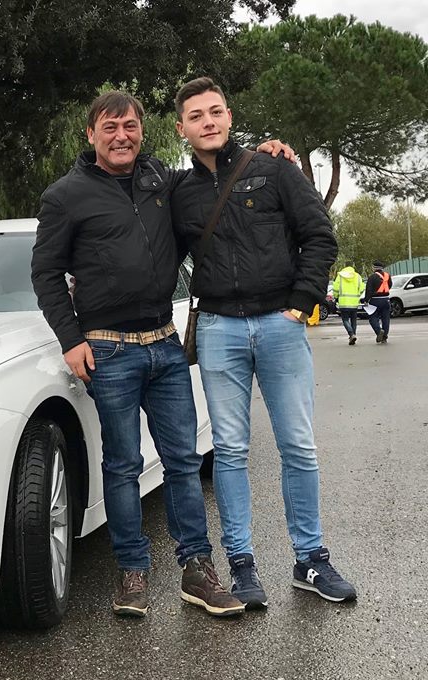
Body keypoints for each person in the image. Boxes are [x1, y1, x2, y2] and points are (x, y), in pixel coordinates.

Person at [32, 90, 253, 618]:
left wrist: (259, 153)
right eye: (109, 128)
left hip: (165, 345)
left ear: (142, 131)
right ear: (91, 134)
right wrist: (71, 340)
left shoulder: (162, 183)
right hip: (108, 351)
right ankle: (132, 572)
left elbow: (212, 172)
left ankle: (197, 569)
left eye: (129, 126)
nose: (121, 136)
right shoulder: (65, 197)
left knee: (183, 462)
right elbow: (45, 274)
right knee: (123, 465)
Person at [171, 76, 356, 607]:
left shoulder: (274, 169)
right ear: (182, 128)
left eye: (216, 111)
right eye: (196, 116)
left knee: (297, 444)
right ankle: (242, 566)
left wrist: (302, 300)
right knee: (229, 451)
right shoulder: (177, 192)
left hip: (280, 323)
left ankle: (311, 559)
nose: (208, 121)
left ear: (229, 116)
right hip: (218, 328)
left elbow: (319, 235)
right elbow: (153, 253)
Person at [332, 264, 365, 344]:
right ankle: (353, 335)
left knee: (345, 320)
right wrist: (357, 295)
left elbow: (335, 288)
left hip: (343, 302)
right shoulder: (357, 276)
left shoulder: (340, 276)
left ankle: (351, 334)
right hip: (354, 302)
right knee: (354, 320)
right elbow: (362, 288)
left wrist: (336, 296)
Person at [362, 261, 393, 343]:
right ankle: (384, 337)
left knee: (373, 318)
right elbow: (390, 285)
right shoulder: (387, 276)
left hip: (375, 300)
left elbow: (369, 290)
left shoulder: (372, 277)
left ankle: (379, 331)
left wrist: (366, 300)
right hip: (386, 299)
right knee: (385, 319)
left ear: (374, 268)